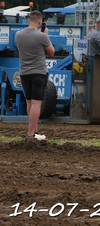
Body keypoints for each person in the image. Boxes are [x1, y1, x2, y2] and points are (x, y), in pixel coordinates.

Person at [14, 11, 55, 140]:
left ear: (29, 20)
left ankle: (35, 131)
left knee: (29, 102)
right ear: (39, 22)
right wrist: (46, 35)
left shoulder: (18, 35)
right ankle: (31, 134)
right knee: (37, 103)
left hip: (24, 73)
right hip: (38, 72)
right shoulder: (42, 36)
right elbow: (51, 53)